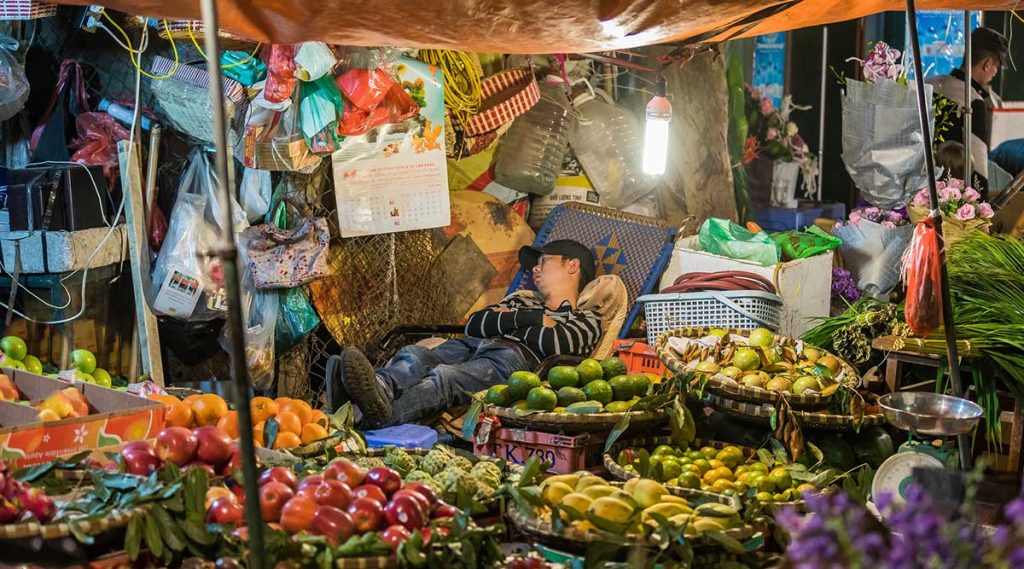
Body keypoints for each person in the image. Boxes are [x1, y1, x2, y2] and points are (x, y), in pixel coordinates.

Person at [327, 239, 603, 428]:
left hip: (515, 362)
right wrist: (535, 319)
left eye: (544, 260)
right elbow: (476, 325)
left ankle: (368, 418)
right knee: (415, 354)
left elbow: (554, 344)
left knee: (447, 377)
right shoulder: (523, 300)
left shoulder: (587, 317)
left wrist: (507, 321)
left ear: (572, 266)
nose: (535, 268)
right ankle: (380, 388)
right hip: (475, 344)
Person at [928, 27, 1010, 197]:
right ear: (987, 64)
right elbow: (978, 165)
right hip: (951, 196)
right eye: (996, 67)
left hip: (921, 187)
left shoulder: (930, 84)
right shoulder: (973, 101)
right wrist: (982, 207)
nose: (994, 73)